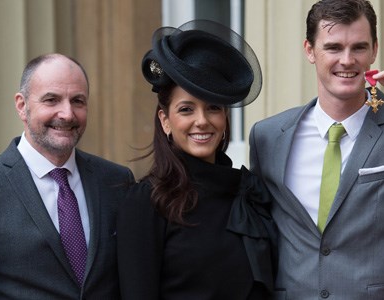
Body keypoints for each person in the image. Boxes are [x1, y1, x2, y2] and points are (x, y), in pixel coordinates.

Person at [248, 0, 384, 298]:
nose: (347, 60)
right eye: (334, 47)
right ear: (310, 50)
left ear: (374, 50)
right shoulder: (268, 137)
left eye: (359, 48)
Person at [0, 53, 135, 299]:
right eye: (51, 100)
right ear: (22, 106)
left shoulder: (117, 182)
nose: (67, 114)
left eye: (78, 101)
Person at [116, 19, 276, 299]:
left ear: (225, 117)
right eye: (186, 109)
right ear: (165, 120)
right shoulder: (147, 202)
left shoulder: (249, 192)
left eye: (213, 108)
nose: (202, 121)